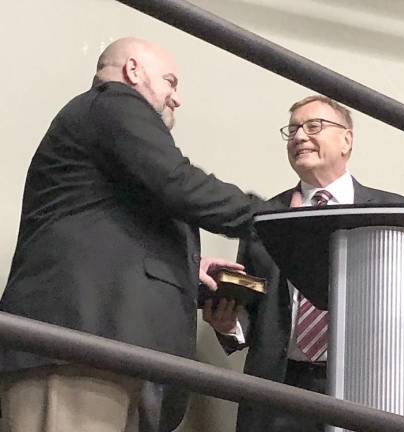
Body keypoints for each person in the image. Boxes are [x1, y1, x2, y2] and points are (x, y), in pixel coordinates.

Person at [0, 37, 274, 432]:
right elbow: (179, 184)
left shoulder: (103, 131)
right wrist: (276, 219)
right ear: (133, 71)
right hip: (79, 347)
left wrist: (188, 267)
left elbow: (112, 222)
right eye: (170, 81)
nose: (176, 98)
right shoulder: (114, 102)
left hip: (101, 351)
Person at [203, 95, 404, 432]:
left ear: (347, 139)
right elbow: (254, 313)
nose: (299, 136)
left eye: (314, 126)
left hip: (368, 385)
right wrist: (229, 325)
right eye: (293, 129)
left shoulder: (392, 212)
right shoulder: (265, 216)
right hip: (280, 389)